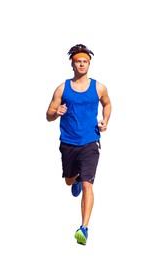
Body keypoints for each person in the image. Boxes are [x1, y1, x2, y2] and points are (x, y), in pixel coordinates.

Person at [46, 44, 112, 245]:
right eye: (78, 61)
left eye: (85, 61)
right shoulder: (62, 88)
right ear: (72, 64)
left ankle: (83, 228)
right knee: (69, 180)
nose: (82, 64)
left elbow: (108, 103)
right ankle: (74, 180)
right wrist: (56, 113)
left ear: (89, 64)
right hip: (68, 142)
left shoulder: (98, 87)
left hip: (90, 142)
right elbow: (48, 115)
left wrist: (105, 120)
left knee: (88, 185)